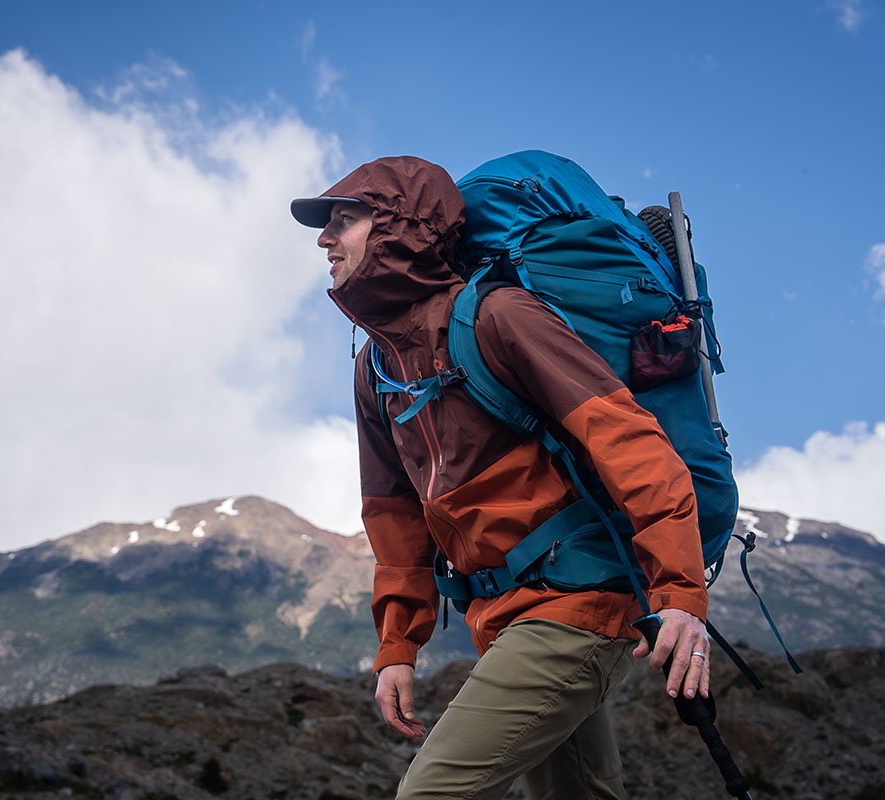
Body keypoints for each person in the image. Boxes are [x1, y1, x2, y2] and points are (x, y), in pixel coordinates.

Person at [290, 156, 711, 800]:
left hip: (575, 605)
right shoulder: (377, 367)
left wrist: (680, 593)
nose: (324, 238)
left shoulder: (498, 316)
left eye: (344, 220)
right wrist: (398, 645)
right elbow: (395, 515)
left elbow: (630, 443)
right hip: (504, 621)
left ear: (400, 228)